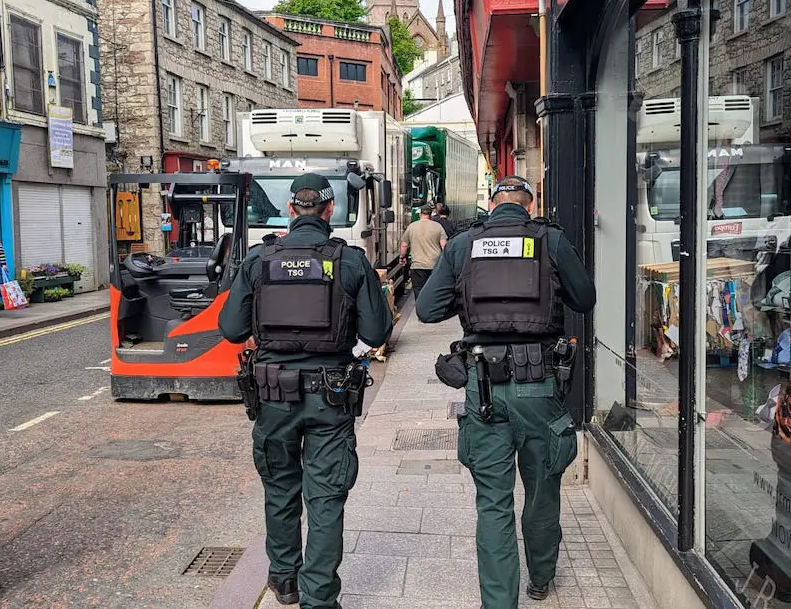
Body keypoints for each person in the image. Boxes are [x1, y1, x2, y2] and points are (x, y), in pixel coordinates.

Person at [416, 175, 596, 608]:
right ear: (529, 205)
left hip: (483, 391)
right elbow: (584, 298)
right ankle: (541, 578)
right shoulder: (550, 239)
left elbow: (426, 310)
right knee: (542, 488)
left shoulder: (463, 245)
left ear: (493, 204)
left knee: (493, 502)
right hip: (539, 387)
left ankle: (499, 602)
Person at [218, 173, 393, 609]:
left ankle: (284, 580)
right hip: (330, 398)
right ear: (330, 210)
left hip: (273, 395)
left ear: (291, 210)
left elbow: (232, 330)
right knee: (326, 494)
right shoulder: (349, 261)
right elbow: (376, 332)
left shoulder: (260, 260)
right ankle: (319, 596)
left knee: (280, 487)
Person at [400, 205, 447, 300]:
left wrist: (402, 257)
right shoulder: (438, 227)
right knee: (433, 292)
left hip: (417, 267)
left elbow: (404, 245)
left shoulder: (412, 226)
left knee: (419, 292)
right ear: (431, 215)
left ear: (420, 214)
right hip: (435, 266)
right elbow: (444, 247)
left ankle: (421, 311)